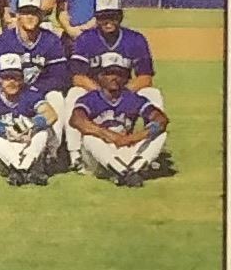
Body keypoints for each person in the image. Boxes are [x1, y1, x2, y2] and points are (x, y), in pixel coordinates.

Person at [65, 0, 165, 158]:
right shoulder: (85, 39)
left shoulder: (135, 39)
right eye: (103, 17)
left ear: (121, 16)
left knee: (152, 94)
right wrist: (102, 95)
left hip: (124, 90)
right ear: (96, 18)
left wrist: (122, 94)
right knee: (74, 93)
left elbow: (145, 77)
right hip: (93, 92)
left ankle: (147, 150)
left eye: (113, 16)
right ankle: (75, 154)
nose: (108, 21)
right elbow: (78, 77)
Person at [0, 0, 71, 165]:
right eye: (25, 12)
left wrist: (34, 90)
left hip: (38, 91)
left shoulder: (50, 40)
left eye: (34, 13)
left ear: (41, 15)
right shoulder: (4, 41)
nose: (30, 17)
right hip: (11, 92)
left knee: (56, 97)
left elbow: (60, 76)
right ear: (17, 15)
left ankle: (52, 154)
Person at [70, 51, 171, 188]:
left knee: (160, 134)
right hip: (100, 156)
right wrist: (110, 136)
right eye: (109, 73)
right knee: (89, 138)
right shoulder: (90, 98)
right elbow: (76, 120)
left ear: (126, 77)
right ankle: (125, 173)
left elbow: (161, 119)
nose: (114, 77)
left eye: (120, 74)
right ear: (99, 76)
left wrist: (135, 137)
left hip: (125, 146)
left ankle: (131, 170)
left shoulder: (132, 98)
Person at [0, 52, 59, 186]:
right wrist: (6, 131)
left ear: (22, 79)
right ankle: (22, 169)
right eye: (7, 77)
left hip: (24, 146)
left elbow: (50, 114)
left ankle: (22, 170)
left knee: (43, 132)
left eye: (16, 77)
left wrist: (25, 127)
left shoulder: (30, 94)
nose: (11, 82)